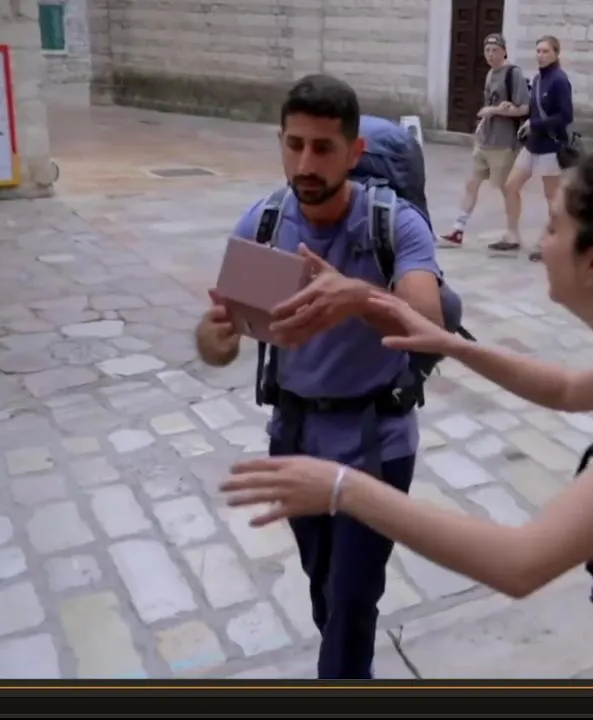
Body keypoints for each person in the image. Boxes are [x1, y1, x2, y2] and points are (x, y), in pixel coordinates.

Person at [222, 129, 593, 678]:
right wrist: (451, 344)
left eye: (554, 227)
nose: (541, 244)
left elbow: (519, 563)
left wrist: (342, 487)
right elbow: (566, 388)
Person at [194, 74, 444, 679]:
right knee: (324, 588)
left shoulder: (393, 224)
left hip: (376, 441)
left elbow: (429, 324)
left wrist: (357, 297)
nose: (306, 164)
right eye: (295, 145)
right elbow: (215, 342)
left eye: (323, 148)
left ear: (354, 152)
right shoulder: (265, 225)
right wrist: (216, 336)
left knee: (353, 599)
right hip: (295, 437)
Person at [439, 33, 530, 248]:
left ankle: (513, 233)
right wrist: (485, 119)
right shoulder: (490, 74)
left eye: (495, 50)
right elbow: (490, 105)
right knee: (472, 183)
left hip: (504, 142)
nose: (490, 54)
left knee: (507, 189)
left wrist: (496, 110)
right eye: (487, 50)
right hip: (485, 139)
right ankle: (457, 230)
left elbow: (524, 108)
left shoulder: (513, 73)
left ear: (504, 51)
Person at [495, 35, 574, 260]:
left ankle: (548, 242)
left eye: (545, 51)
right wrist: (514, 108)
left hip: (550, 145)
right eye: (538, 51)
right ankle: (512, 235)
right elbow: (534, 109)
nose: (540, 55)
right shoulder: (538, 79)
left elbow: (566, 116)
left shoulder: (560, 80)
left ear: (556, 53)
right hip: (532, 144)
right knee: (511, 185)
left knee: (552, 197)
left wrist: (535, 124)